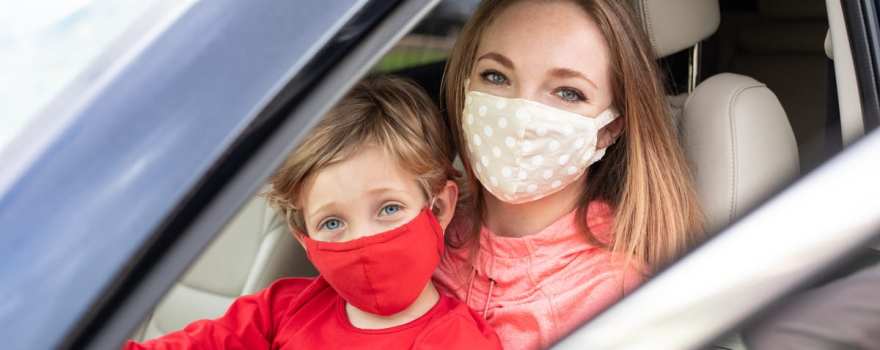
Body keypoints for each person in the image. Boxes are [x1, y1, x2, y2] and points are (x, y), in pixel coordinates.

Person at [124, 77, 501, 349]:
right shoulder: (281, 310)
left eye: (389, 208)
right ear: (305, 240)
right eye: (332, 222)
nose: (363, 240)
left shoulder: (461, 341)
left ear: (439, 208)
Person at [433, 1, 705, 349]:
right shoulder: (415, 226)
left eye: (568, 93)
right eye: (496, 76)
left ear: (609, 128)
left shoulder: (616, 299)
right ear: (465, 87)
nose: (522, 116)